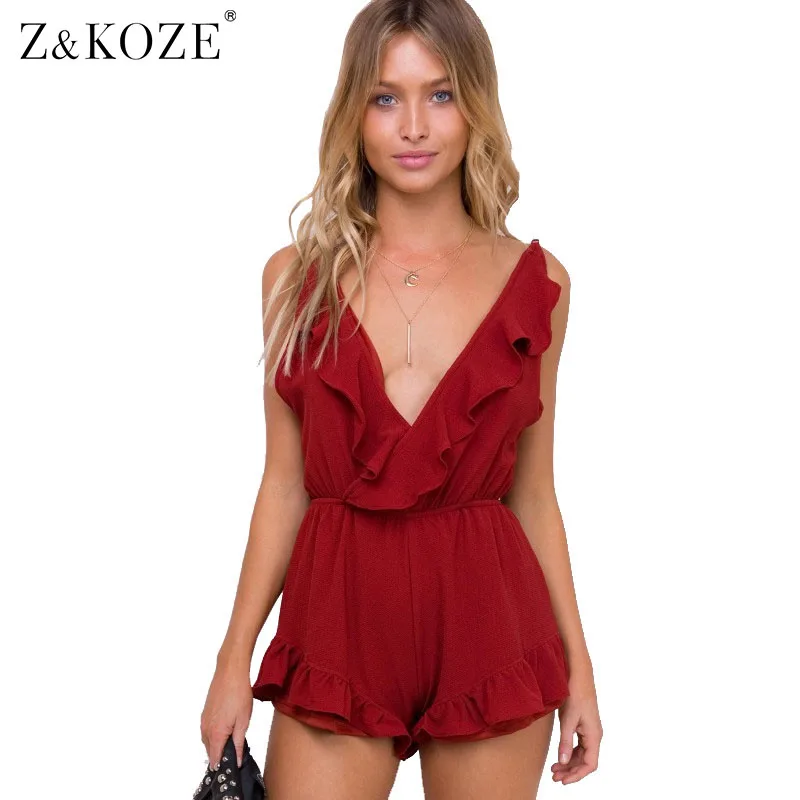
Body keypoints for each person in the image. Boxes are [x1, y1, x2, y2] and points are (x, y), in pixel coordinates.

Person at [200, 1, 602, 796]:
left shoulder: (540, 283)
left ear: (476, 105)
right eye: (385, 97)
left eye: (440, 94)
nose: (414, 125)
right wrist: (231, 659)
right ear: (353, 113)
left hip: (492, 625)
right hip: (335, 621)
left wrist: (581, 668)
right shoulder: (294, 280)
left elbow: (533, 492)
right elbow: (284, 484)